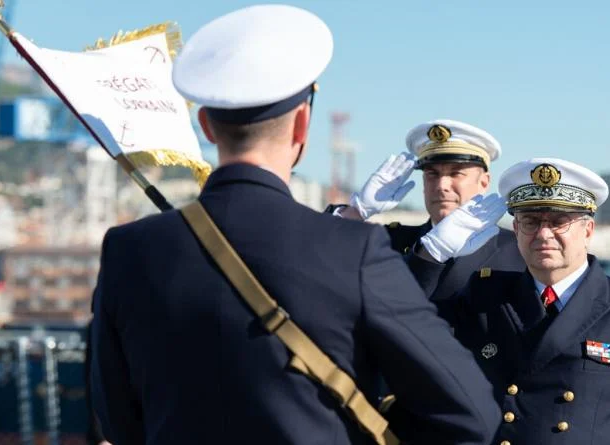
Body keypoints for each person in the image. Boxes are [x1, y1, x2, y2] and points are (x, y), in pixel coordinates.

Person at [90, 5, 501, 445]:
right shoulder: (352, 249)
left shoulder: (129, 249)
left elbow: (117, 420)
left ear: (207, 126)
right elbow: (472, 413)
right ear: (302, 125)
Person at [411, 157, 610, 444]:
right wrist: (431, 255)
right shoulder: (483, 295)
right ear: (516, 230)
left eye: (558, 222)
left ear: (588, 231)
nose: (544, 234)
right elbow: (410, 332)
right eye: (530, 222)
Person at [328, 120, 525, 301]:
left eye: (456, 173)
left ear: (484, 182)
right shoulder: (389, 242)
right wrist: (355, 212)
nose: (441, 185)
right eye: (432, 174)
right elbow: (317, 267)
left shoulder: (518, 250)